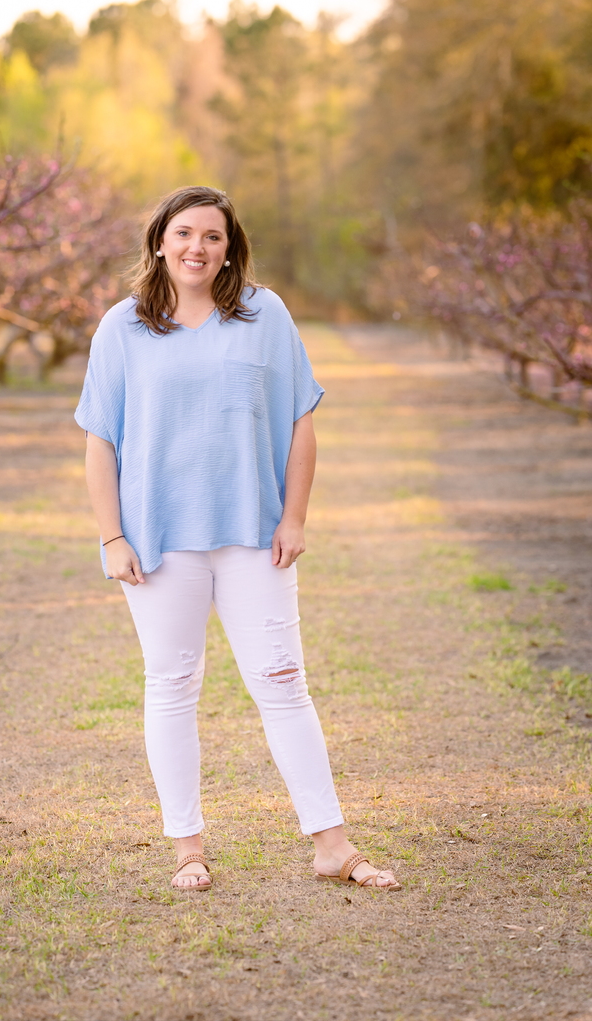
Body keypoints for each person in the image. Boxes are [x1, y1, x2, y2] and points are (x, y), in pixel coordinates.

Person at [75, 186, 401, 893]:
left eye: (213, 237)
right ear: (159, 241)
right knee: (171, 686)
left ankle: (333, 845)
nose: (198, 247)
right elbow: (101, 442)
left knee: (284, 685)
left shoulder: (266, 315)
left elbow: (299, 422)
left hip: (255, 534)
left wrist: (295, 518)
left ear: (230, 248)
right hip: (159, 543)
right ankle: (188, 847)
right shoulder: (123, 327)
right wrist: (111, 537)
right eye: (184, 233)